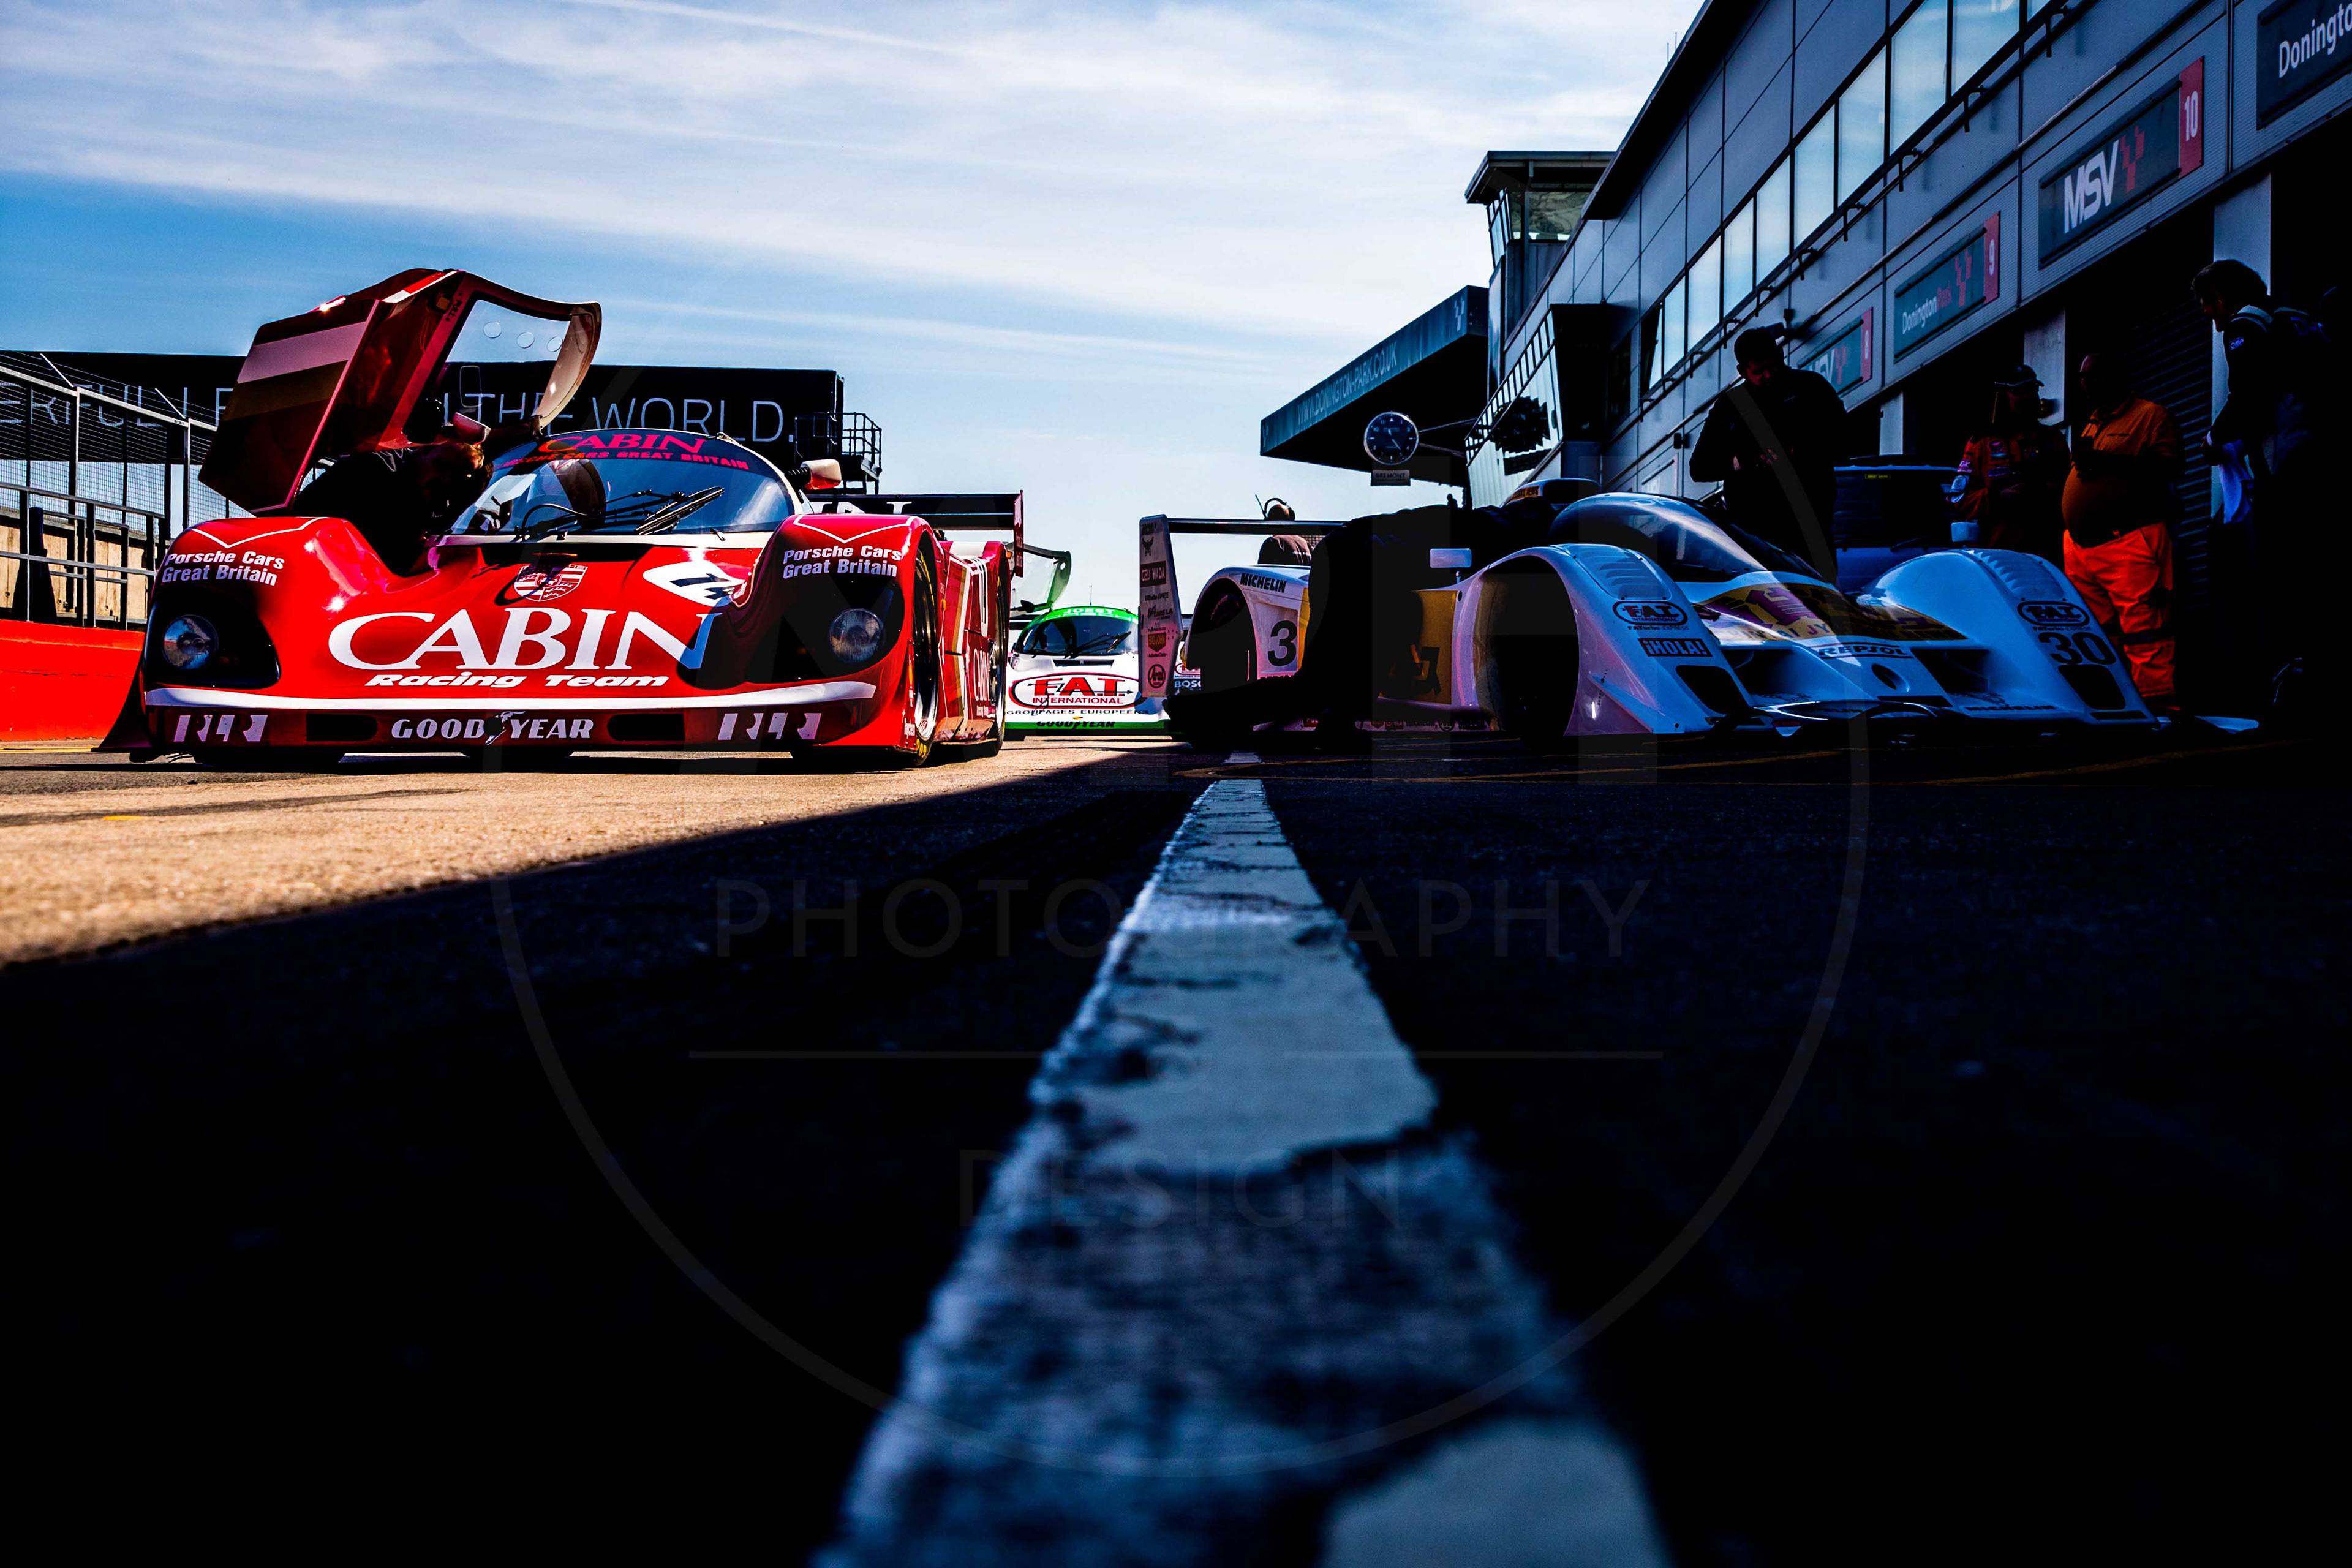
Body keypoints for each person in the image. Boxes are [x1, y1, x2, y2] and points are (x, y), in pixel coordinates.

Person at [2193, 259, 2332, 706]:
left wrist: (2215, 437)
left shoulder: (2246, 326)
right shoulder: (2300, 319)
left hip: (2290, 466)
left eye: (2208, 309)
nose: (2213, 323)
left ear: (2220, 298)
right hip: (2325, 457)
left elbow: (2249, 398)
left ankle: (2298, 676)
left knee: (2287, 571)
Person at [2060, 353, 2180, 710]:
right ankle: (2115, 704)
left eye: (2091, 377)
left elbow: (2171, 468)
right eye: (2081, 378)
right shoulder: (2091, 424)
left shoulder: (2150, 416)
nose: (2083, 384)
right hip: (2083, 550)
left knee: (2145, 630)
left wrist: (2109, 463)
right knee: (2098, 633)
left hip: (2127, 541)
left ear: (2114, 376)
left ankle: (2159, 707)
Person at [1689, 326, 1846, 577]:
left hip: (1806, 523)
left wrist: (1800, 451)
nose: (1768, 376)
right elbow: (1699, 468)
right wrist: (1743, 462)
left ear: (1781, 356)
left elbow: (1843, 439)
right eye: (1758, 372)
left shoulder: (1811, 388)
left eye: (1772, 366)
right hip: (1757, 531)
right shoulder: (1730, 406)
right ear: (1742, 372)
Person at [282, 430, 489, 571]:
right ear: (421, 450)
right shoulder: (373, 471)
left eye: (456, 475)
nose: (445, 479)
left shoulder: (438, 496)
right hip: (311, 562)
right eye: (442, 467)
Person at [1951, 367, 2068, 559]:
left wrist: (2042, 490)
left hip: (2047, 553)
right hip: (1997, 556)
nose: (2028, 397)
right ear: (2003, 397)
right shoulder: (1981, 442)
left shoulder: (2053, 440)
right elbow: (1959, 499)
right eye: (2020, 392)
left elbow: (2068, 491)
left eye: (2032, 390)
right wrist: (1998, 496)